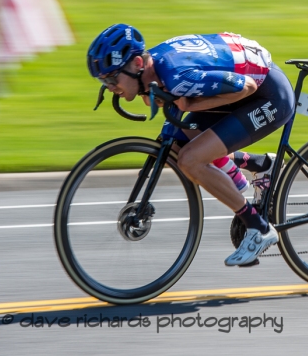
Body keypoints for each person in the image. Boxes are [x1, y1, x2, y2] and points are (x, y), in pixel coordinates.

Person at [87, 24, 295, 266]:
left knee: (191, 160)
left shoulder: (176, 75)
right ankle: (259, 165)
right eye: (103, 80)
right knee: (177, 148)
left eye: (112, 77)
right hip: (243, 82)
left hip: (268, 96)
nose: (110, 87)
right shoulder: (153, 70)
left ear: (136, 64)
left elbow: (246, 87)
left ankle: (259, 229)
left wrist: (190, 106)